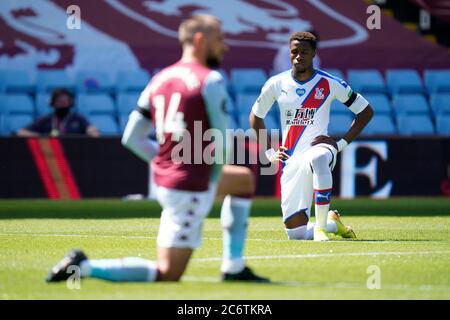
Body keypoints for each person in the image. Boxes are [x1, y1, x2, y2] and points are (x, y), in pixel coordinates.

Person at [46, 14, 267, 283]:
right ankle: (85, 267)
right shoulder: (210, 80)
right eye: (220, 39)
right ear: (200, 40)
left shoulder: (159, 79)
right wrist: (208, 182)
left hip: (172, 178)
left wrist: (165, 161)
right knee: (168, 273)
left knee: (243, 180)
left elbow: (131, 137)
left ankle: (234, 266)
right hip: (191, 186)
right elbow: (220, 142)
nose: (225, 46)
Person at [250, 32, 374, 241]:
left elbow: (365, 112)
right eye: (294, 52)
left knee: (316, 158)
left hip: (320, 149)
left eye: (304, 52)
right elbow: (255, 117)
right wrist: (269, 151)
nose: (298, 56)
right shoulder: (276, 83)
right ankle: (332, 222)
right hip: (291, 158)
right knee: (295, 234)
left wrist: (339, 144)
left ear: (314, 53)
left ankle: (320, 228)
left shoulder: (330, 83)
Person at [16, 88, 100, 137]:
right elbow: (21, 132)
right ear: (53, 103)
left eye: (66, 101)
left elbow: (92, 129)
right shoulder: (46, 119)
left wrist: (92, 131)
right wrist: (41, 137)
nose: (63, 104)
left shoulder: (78, 118)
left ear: (71, 103)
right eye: (60, 101)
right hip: (51, 153)